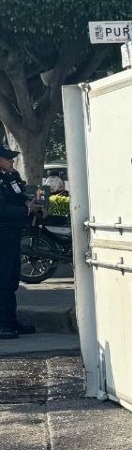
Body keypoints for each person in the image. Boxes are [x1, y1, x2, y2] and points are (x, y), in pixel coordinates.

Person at [1, 144, 39, 339]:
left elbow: (18, 197)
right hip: (2, 235)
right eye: (7, 158)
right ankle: (2, 324)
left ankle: (10, 321)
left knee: (11, 280)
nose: (11, 161)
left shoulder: (9, 178)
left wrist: (30, 204)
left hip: (12, 235)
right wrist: (26, 210)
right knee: (2, 280)